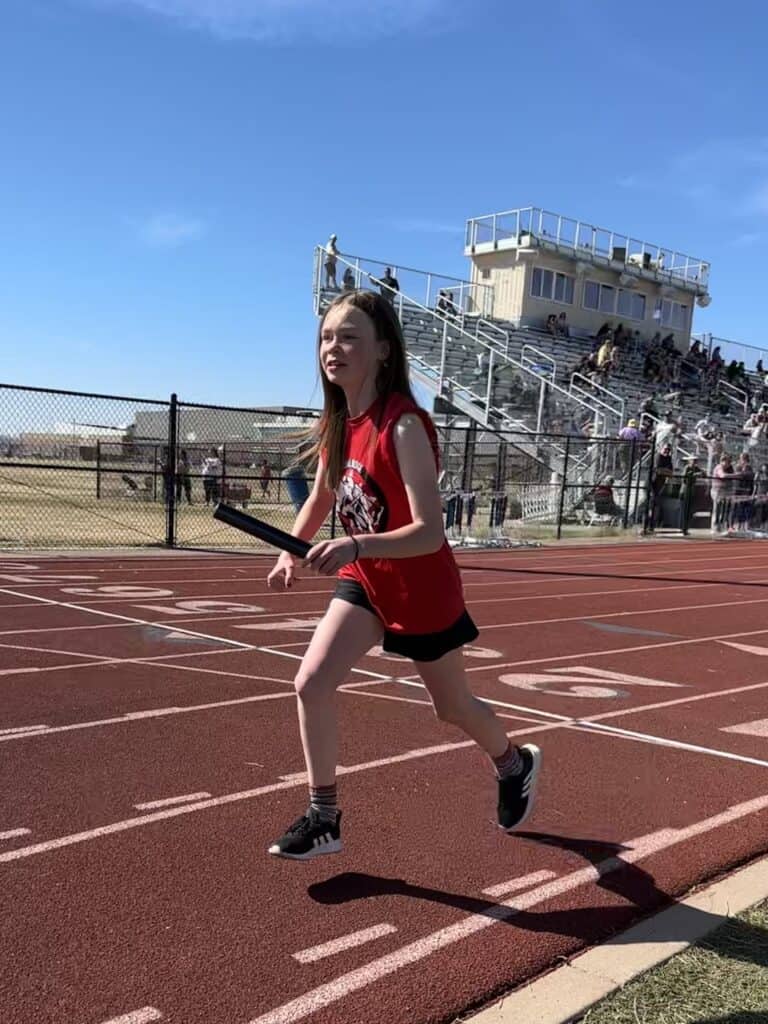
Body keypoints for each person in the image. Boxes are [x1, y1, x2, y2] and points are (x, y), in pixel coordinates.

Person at [264, 290, 541, 859]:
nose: (332, 348)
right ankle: (325, 816)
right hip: (368, 581)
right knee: (311, 683)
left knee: (452, 707)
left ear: (383, 350)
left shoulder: (404, 426)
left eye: (348, 337)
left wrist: (354, 543)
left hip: (421, 589)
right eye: (325, 337)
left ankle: (514, 764)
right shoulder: (339, 422)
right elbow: (321, 494)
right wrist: (292, 551)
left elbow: (430, 532)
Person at [678, 457, 701, 535]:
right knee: (684, 510)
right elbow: (684, 479)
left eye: (696, 460)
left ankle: (686, 528)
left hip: (691, 492)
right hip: (685, 492)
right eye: (693, 460)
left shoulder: (697, 468)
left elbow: (703, 473)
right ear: (689, 461)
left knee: (689, 511)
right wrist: (694, 474)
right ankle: (682, 528)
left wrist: (701, 473)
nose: (695, 462)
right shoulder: (687, 467)